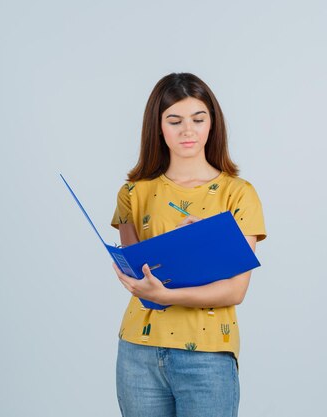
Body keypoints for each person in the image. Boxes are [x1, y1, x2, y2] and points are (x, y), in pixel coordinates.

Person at [111, 72, 266, 417]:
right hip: (138, 352)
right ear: (158, 126)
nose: (187, 131)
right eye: (174, 120)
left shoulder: (238, 194)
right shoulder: (133, 193)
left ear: (212, 124)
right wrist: (140, 279)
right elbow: (139, 278)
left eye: (198, 119)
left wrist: (169, 292)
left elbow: (235, 290)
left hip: (207, 357)